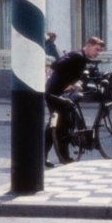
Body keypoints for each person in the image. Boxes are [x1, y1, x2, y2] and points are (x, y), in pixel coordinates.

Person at [44, 36, 105, 166]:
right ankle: (64, 158)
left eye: (100, 51)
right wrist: (54, 82)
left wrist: (71, 83)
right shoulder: (77, 56)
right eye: (96, 49)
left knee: (54, 125)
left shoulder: (82, 58)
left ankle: (42, 155)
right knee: (63, 125)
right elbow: (55, 65)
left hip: (59, 93)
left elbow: (74, 74)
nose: (97, 53)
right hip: (54, 94)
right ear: (88, 46)